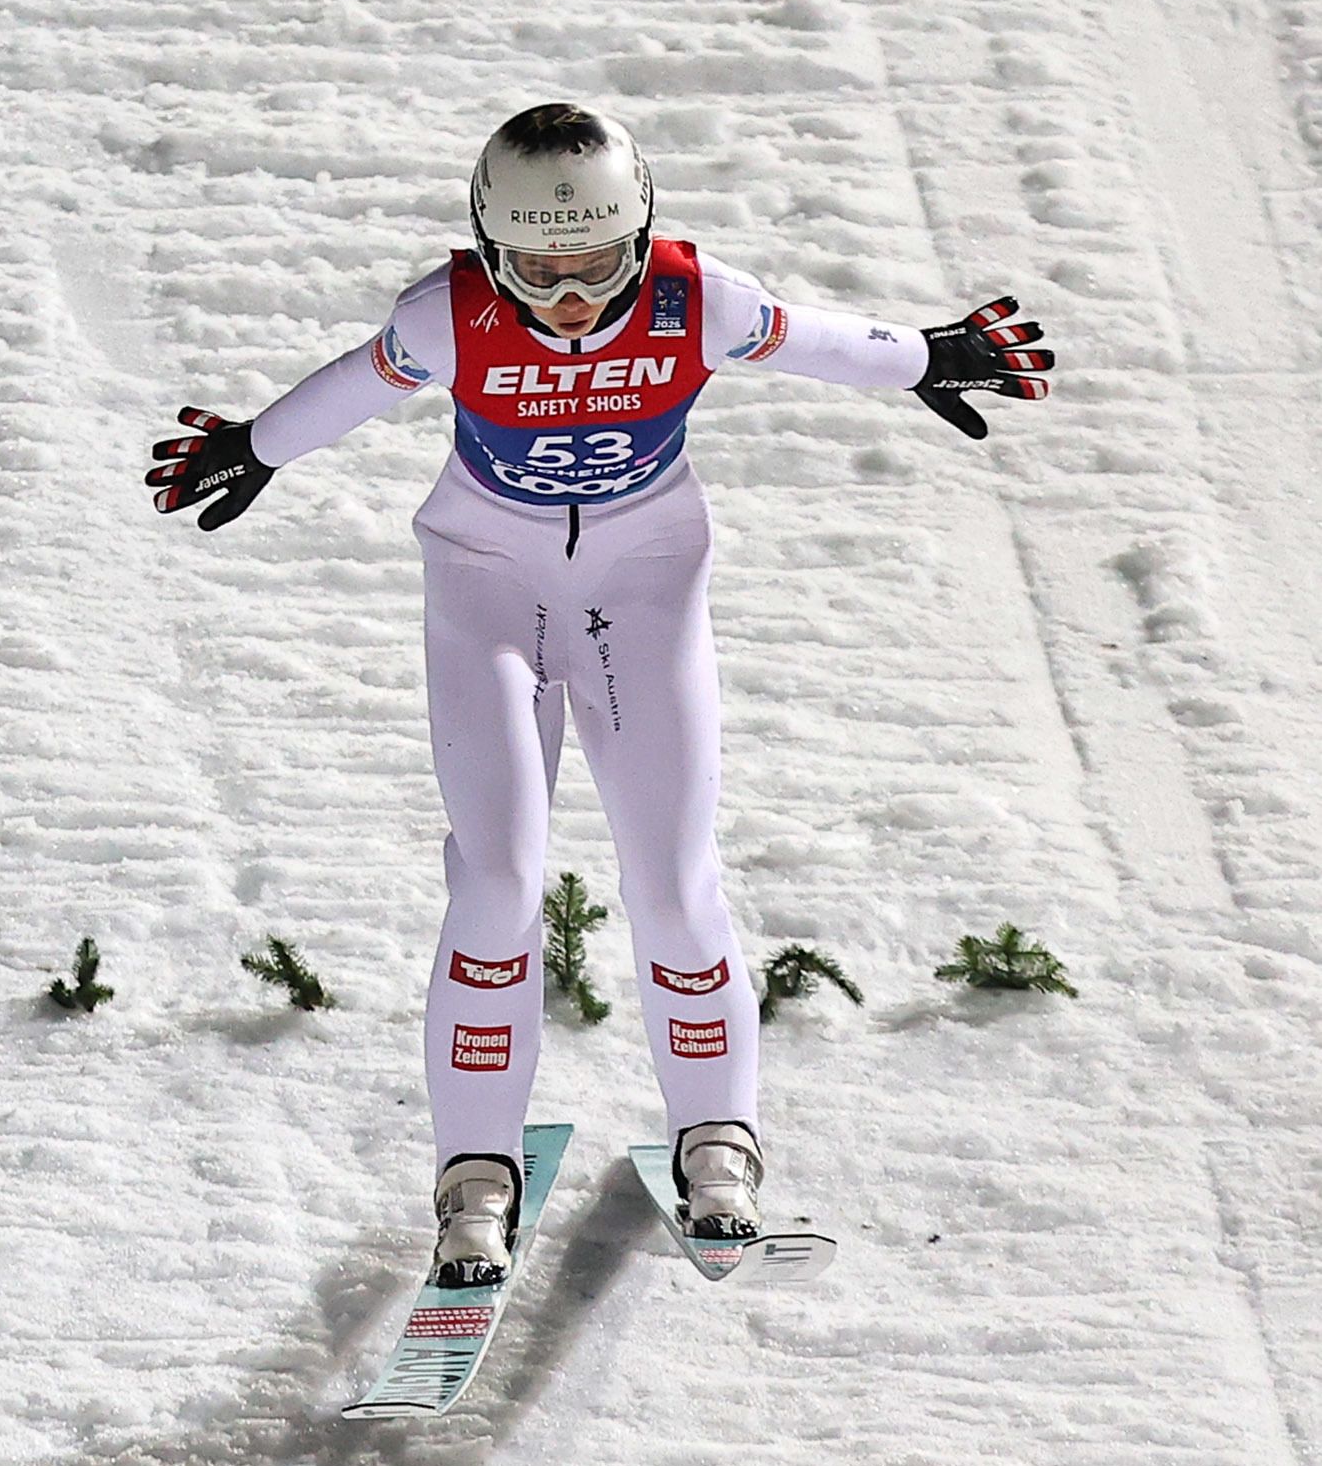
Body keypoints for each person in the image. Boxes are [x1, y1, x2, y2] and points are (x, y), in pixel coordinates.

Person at [147, 102, 1052, 1289]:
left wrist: (928, 354)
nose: (569, 295)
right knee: (496, 883)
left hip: (643, 586)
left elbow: (811, 337)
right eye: (534, 268)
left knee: (672, 880)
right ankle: (474, 1177)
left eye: (594, 261)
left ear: (640, 234)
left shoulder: (692, 300)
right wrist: (253, 446)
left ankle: (716, 1143)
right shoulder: (445, 315)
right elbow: (355, 385)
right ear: (487, 247)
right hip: (487, 588)